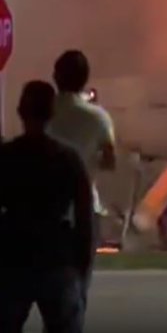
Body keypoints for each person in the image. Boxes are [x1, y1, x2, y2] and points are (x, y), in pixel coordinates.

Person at [0, 81, 94, 333]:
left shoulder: (6, 157)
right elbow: (85, 219)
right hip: (57, 258)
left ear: (20, 111)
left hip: (13, 258)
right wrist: (82, 270)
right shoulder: (68, 159)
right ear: (52, 113)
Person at [46, 50, 115, 310]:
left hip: (46, 212)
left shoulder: (44, 113)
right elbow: (110, 162)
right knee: (77, 293)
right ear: (86, 79)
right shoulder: (99, 118)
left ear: (55, 77)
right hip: (84, 211)